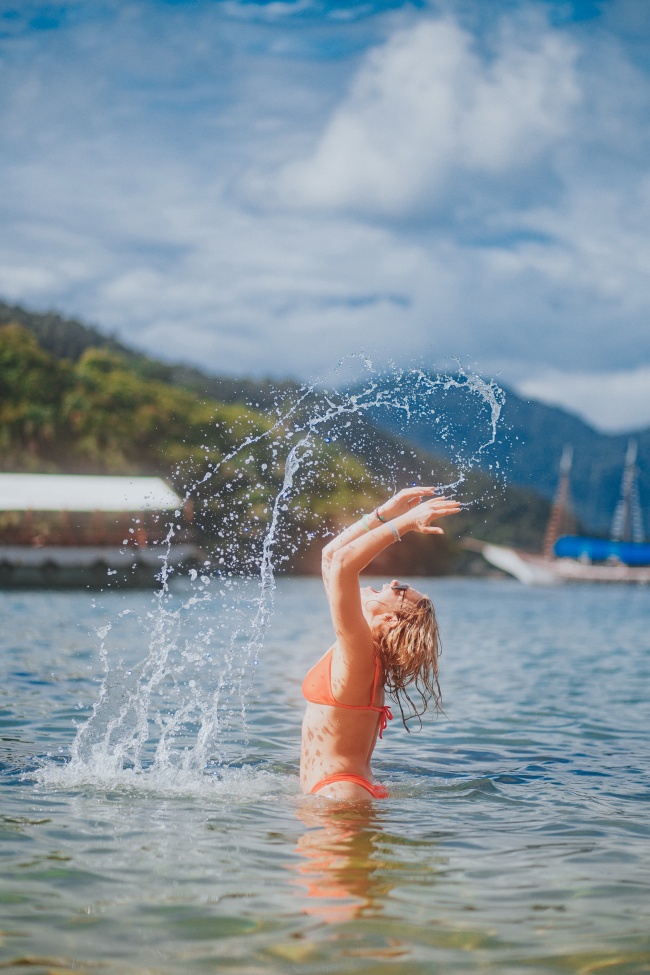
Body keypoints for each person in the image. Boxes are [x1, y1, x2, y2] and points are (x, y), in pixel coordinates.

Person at [300, 486, 462, 801]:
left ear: (390, 620)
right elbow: (331, 556)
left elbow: (344, 563)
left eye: (401, 590)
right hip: (341, 790)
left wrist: (407, 523)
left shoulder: (360, 651)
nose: (393, 581)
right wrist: (385, 513)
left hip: (340, 793)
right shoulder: (358, 645)